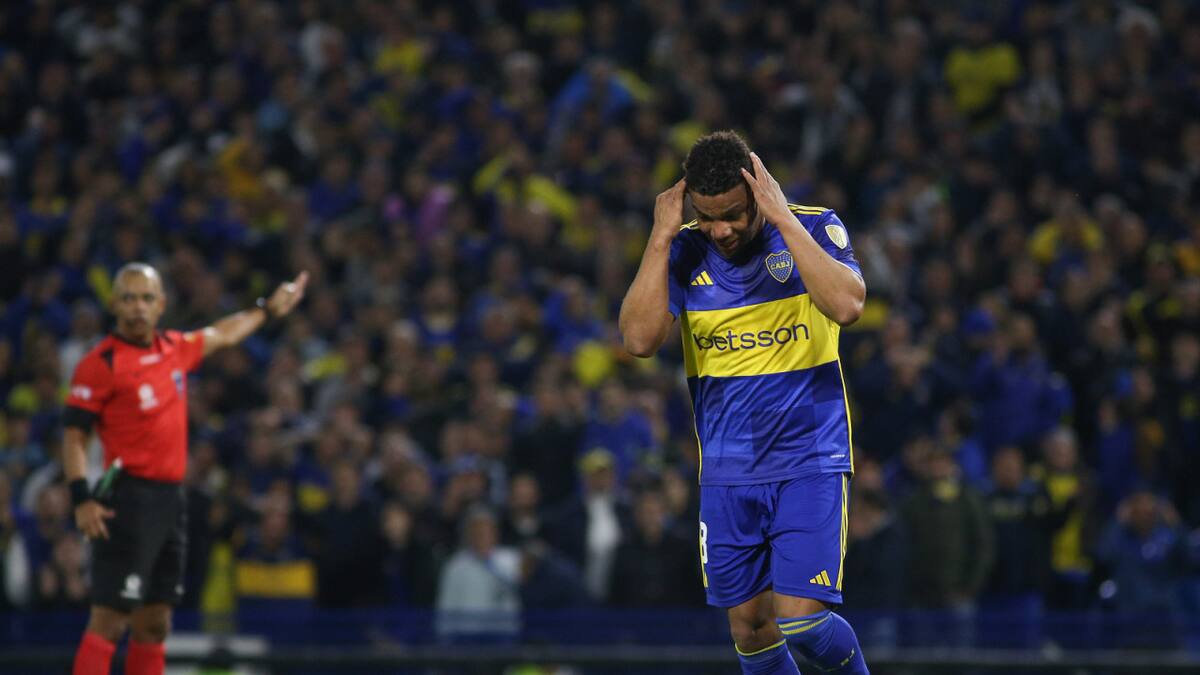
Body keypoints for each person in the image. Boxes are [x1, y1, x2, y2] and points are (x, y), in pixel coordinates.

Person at [619, 131, 868, 674]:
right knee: (752, 631)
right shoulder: (684, 250)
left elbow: (848, 305)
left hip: (809, 459)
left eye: (732, 213)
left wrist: (783, 220)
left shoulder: (814, 226)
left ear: (759, 192)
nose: (721, 229)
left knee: (801, 619)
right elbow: (638, 341)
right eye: (707, 217)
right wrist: (660, 239)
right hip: (728, 471)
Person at [64, 262, 307, 675]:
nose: (137, 307)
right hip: (126, 498)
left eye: (146, 298)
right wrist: (81, 498)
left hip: (169, 499)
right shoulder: (99, 364)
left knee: (155, 621)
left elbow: (224, 333)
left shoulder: (174, 349)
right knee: (110, 617)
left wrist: (267, 310)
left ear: (161, 305)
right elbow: (74, 438)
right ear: (114, 304)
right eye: (128, 297)